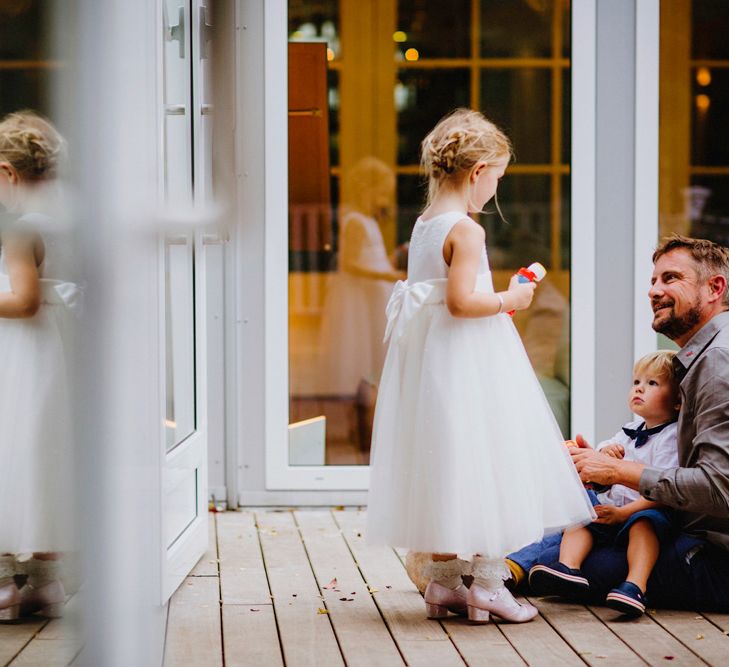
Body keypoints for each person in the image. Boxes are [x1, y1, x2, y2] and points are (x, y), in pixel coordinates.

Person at [366, 108, 595, 624]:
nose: (496, 189)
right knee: (487, 453)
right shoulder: (466, 231)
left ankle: (444, 582)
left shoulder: (425, 224)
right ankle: (488, 585)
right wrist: (511, 297)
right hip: (469, 358)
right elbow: (460, 302)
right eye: (498, 178)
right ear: (477, 172)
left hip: (437, 362)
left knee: (447, 458)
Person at [525, 235, 729, 612]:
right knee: (581, 525)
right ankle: (493, 569)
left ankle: (494, 572)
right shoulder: (702, 357)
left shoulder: (718, 361)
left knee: (571, 564)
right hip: (689, 535)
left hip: (714, 560)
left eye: (670, 279)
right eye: (653, 281)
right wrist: (604, 462)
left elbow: (720, 488)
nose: (654, 291)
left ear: (715, 288)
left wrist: (620, 470)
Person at [0, 110, 80, 620]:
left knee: (14, 452)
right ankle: (46, 585)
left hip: (22, 351)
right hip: (58, 350)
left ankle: (7, 583)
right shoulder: (68, 217)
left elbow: (25, 300)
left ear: (7, 173)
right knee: (45, 454)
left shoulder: (18, 228)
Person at [528, 351, 680, 616]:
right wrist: (604, 456)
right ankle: (568, 568)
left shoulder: (671, 436)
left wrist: (622, 513)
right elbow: (603, 469)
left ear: (678, 401)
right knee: (583, 505)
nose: (640, 388)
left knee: (646, 521)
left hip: (641, 513)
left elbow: (663, 490)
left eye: (652, 383)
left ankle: (635, 586)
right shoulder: (630, 430)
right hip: (613, 513)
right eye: (636, 382)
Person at [316, 156, 404, 397]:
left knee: (375, 343)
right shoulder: (354, 221)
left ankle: (371, 393)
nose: (384, 201)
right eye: (381, 194)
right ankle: (357, 395)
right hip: (359, 293)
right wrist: (385, 275)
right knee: (358, 346)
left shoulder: (368, 220)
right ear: (366, 190)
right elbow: (349, 263)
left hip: (371, 293)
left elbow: (369, 254)